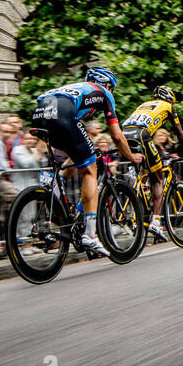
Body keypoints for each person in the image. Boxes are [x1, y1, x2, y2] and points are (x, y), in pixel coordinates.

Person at [33, 67, 139, 255]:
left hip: (40, 114)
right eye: (111, 88)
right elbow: (116, 134)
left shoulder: (76, 88)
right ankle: (90, 235)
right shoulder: (104, 93)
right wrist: (130, 156)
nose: (111, 92)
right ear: (107, 84)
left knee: (79, 157)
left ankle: (56, 190)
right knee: (90, 170)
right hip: (62, 115)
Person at [121, 85, 183, 243]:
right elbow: (180, 134)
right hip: (142, 136)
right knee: (158, 178)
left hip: (123, 135)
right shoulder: (167, 106)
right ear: (170, 99)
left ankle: (138, 211)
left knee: (145, 173)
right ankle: (155, 221)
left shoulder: (144, 105)